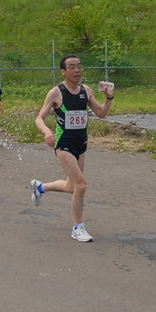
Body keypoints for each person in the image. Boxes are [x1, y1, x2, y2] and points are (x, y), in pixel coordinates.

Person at [30, 55, 115, 242]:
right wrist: (46, 132)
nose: (77, 70)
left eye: (79, 66)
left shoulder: (86, 90)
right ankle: (78, 227)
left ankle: (40, 188)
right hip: (63, 143)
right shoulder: (56, 92)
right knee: (81, 185)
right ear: (63, 71)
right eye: (72, 67)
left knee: (72, 186)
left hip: (81, 143)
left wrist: (109, 97)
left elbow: (101, 113)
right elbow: (39, 118)